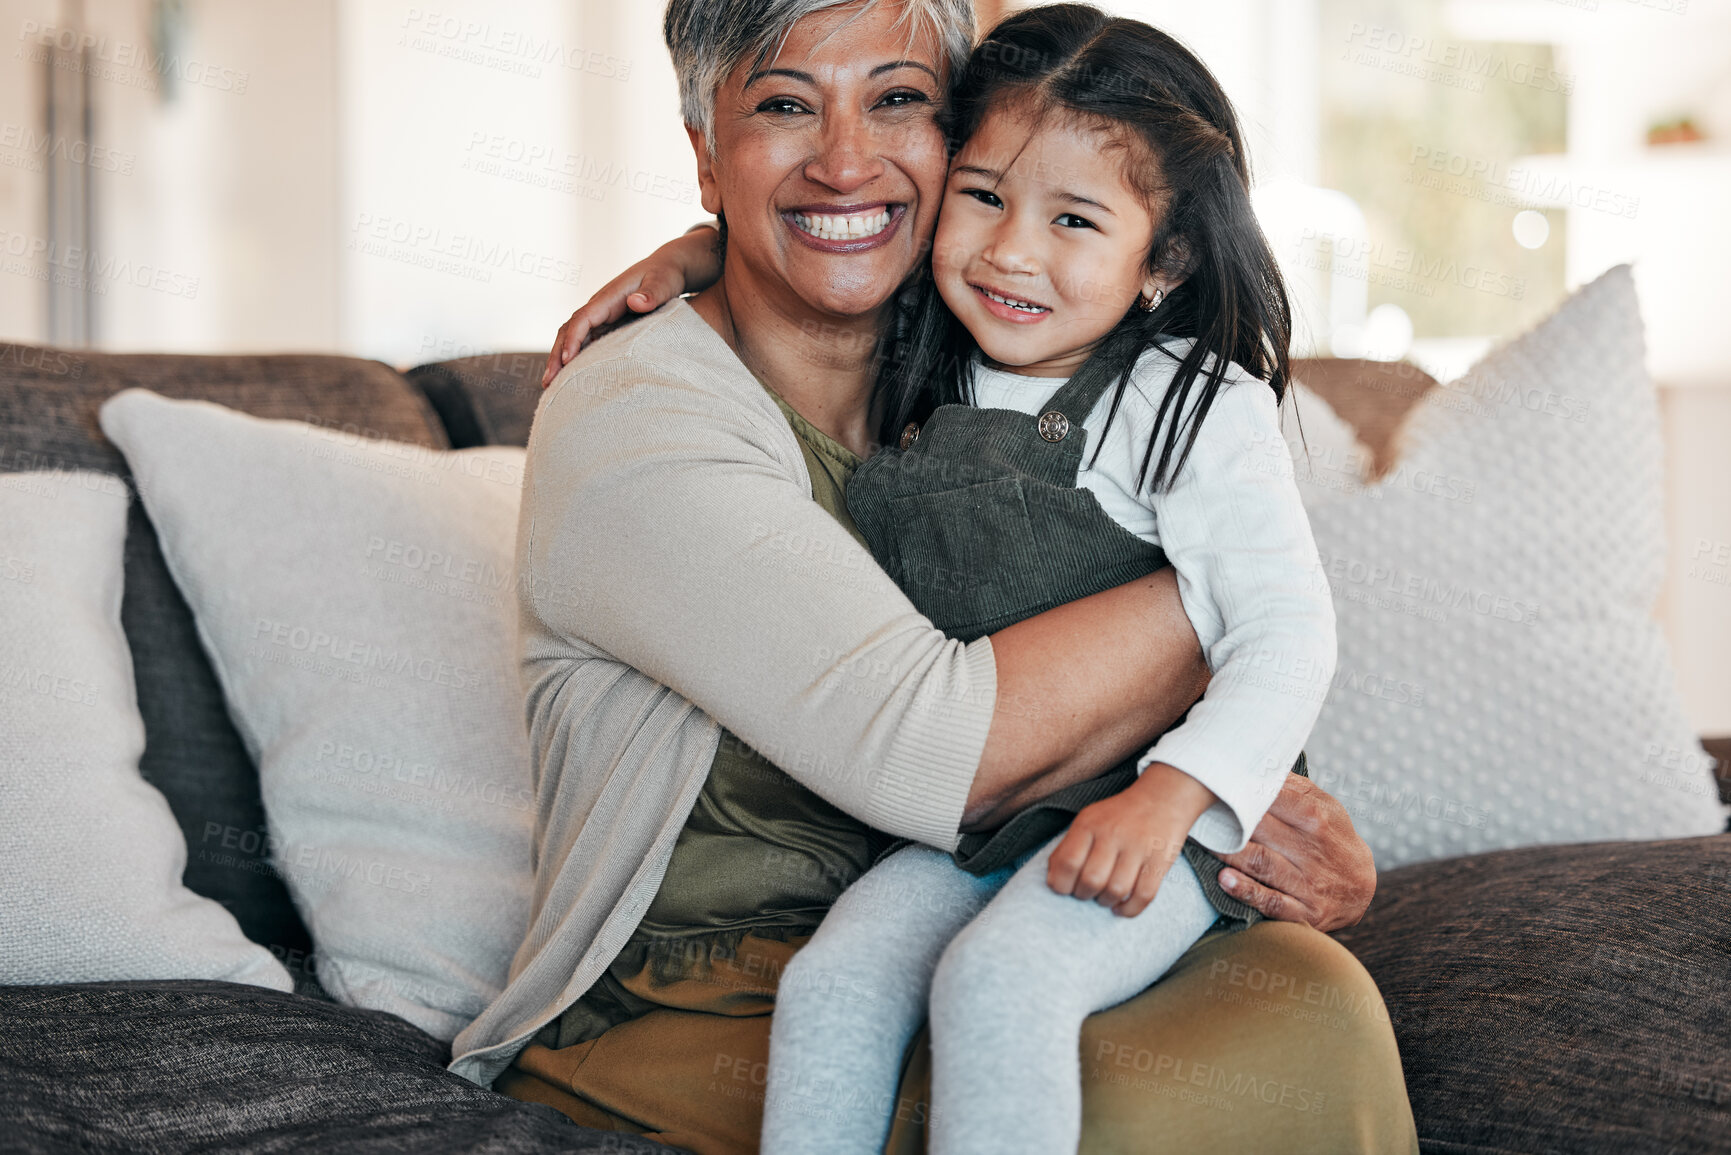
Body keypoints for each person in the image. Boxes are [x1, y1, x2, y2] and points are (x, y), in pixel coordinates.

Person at [470, 1, 1416, 1152]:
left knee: (1313, 1010)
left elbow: (893, 220)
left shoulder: (957, 341)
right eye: (781, 106)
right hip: (693, 996)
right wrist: (1228, 665)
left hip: (988, 884)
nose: (847, 159)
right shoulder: (640, 415)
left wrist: (1234, 794)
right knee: (1142, 1099)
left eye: (899, 101)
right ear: (706, 154)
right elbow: (943, 749)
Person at [753, 7, 1334, 1152]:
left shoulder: (1193, 399)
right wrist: (681, 255)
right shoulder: (921, 341)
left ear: (1163, 260)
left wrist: (1174, 798)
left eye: (1075, 219)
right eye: (983, 197)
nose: (1011, 252)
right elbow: (784, 246)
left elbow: (1289, 633)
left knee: (1001, 981)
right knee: (831, 986)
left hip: (1160, 816)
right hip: (970, 821)